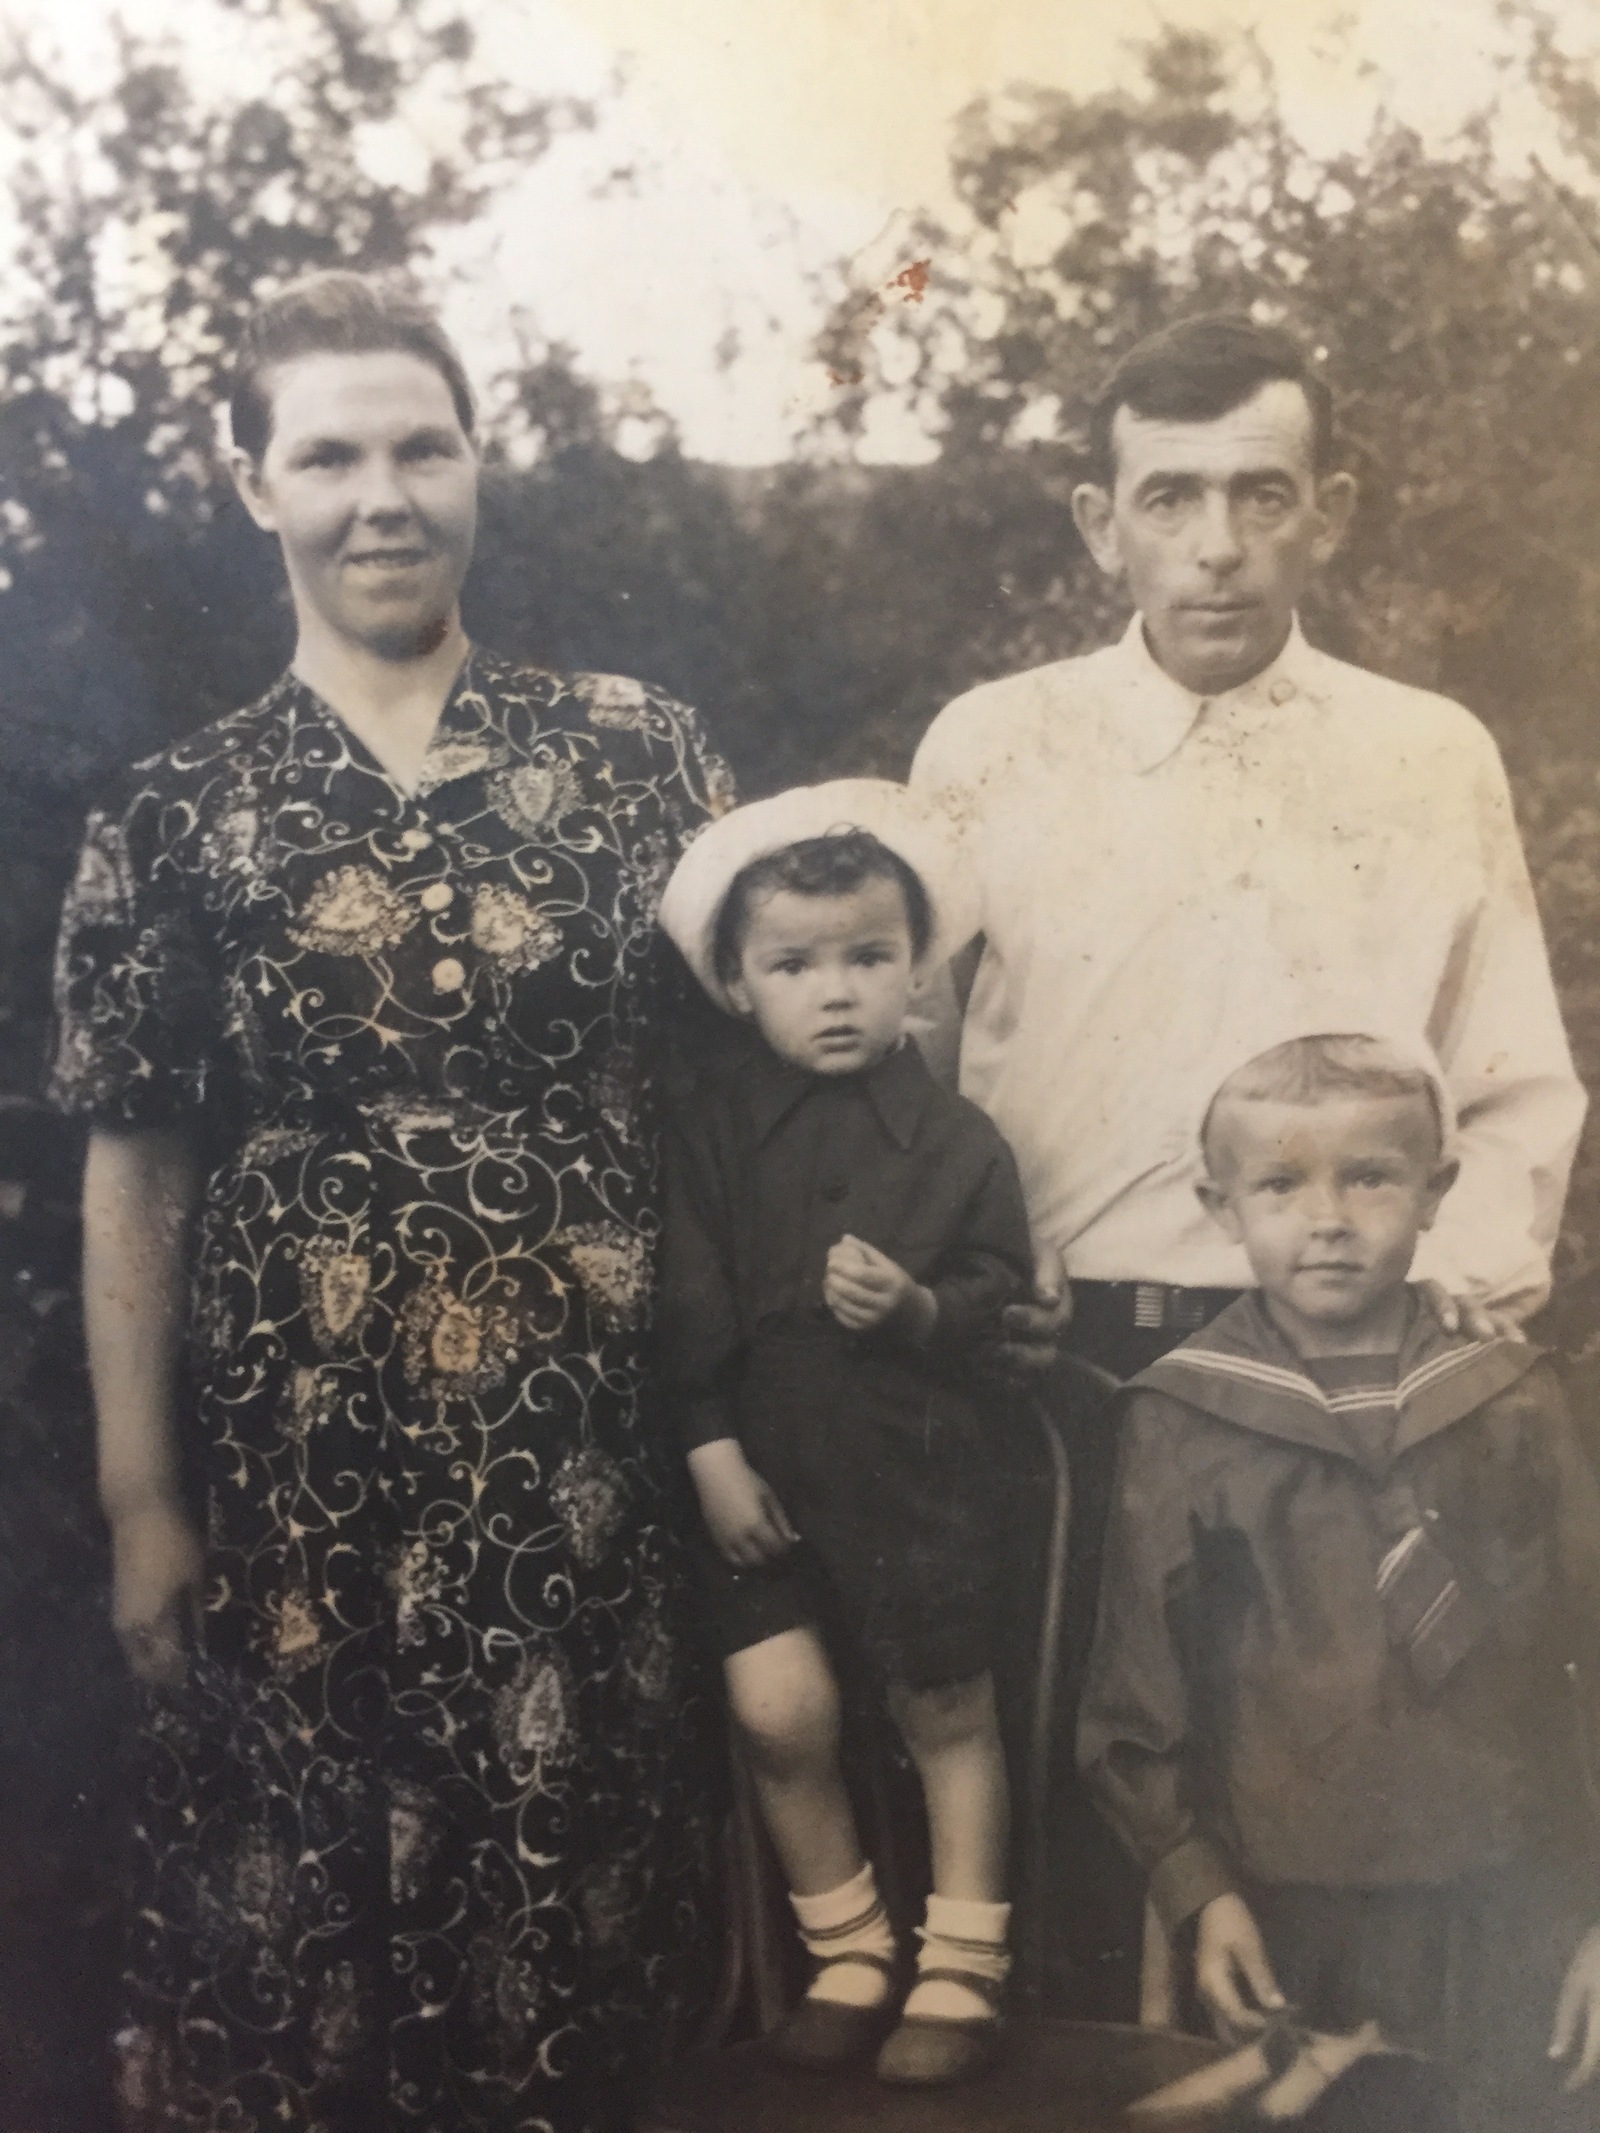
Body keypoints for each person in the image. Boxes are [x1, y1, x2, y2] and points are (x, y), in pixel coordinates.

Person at [51, 271, 732, 2133]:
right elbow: (136, 1160)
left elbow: (734, 1105)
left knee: (575, 1931)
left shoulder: (637, 756)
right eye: (330, 453)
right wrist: (137, 1495)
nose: (383, 495)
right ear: (252, 481)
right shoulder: (175, 811)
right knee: (299, 1952)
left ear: (478, 463)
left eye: (421, 445)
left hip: (583, 1453)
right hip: (297, 1474)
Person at [909, 311, 1586, 2012]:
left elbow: (1512, 1084)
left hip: (1348, 1391)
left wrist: (1430, 1343)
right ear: (1098, 518)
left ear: (1328, 507)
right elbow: (910, 1083)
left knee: (1346, 1862)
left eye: (1261, 494)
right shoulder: (991, 746)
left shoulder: (1428, 751)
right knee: (1088, 1850)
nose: (1215, 545)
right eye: (1170, 496)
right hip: (1065, 1375)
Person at [1079, 1032, 1600, 2130]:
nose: (1326, 1217)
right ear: (1220, 1205)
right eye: (1280, 1183)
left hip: (1511, 1882)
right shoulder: (1182, 1414)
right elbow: (1135, 1690)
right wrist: (1193, 1885)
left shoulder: (1510, 1392)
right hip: (1286, 1892)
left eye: (1368, 1177)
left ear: (1435, 1191)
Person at [656, 785, 1035, 2087]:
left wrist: (922, 1305)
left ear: (918, 972)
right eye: (794, 965)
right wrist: (707, 1447)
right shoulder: (706, 1134)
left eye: (869, 959)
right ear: (735, 982)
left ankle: (964, 1963)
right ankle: (851, 1949)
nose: (835, 994)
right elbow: (685, 1296)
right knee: (779, 1710)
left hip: (915, 1459)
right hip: (756, 1465)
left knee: (943, 1702)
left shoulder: (956, 1135)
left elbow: (998, 1284)